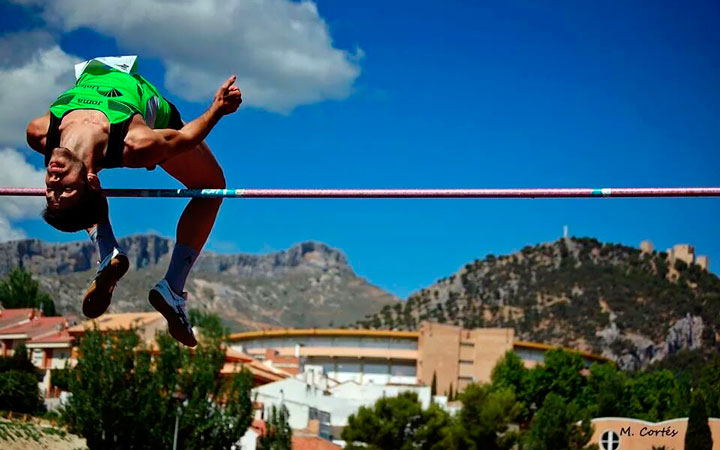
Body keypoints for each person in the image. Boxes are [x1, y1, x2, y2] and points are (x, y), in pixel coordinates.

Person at [25, 56, 242, 347]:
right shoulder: (136, 145)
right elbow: (185, 138)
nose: (53, 186)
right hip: (151, 117)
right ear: (92, 181)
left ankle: (108, 255)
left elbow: (76, 180)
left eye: (51, 195)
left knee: (83, 157)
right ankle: (173, 287)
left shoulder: (39, 133)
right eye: (64, 192)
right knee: (213, 187)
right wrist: (217, 110)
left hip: (99, 129)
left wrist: (75, 188)